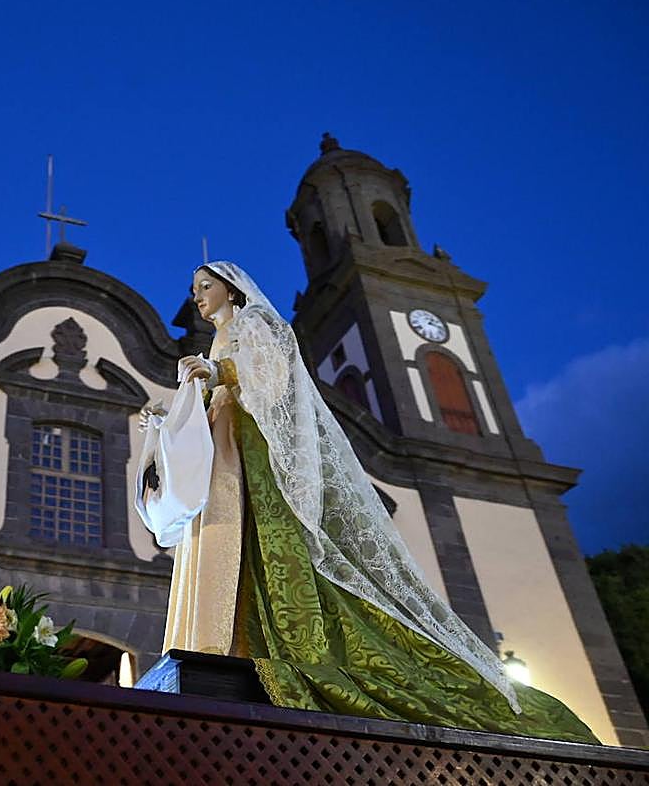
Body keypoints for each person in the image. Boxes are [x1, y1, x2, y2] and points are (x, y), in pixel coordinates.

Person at [142, 261, 598, 743]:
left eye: (205, 286)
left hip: (252, 455)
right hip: (230, 457)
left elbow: (272, 377)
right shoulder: (218, 336)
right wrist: (167, 417)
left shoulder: (256, 322)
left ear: (233, 291)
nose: (197, 296)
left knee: (264, 547)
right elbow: (218, 397)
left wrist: (217, 371)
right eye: (193, 289)